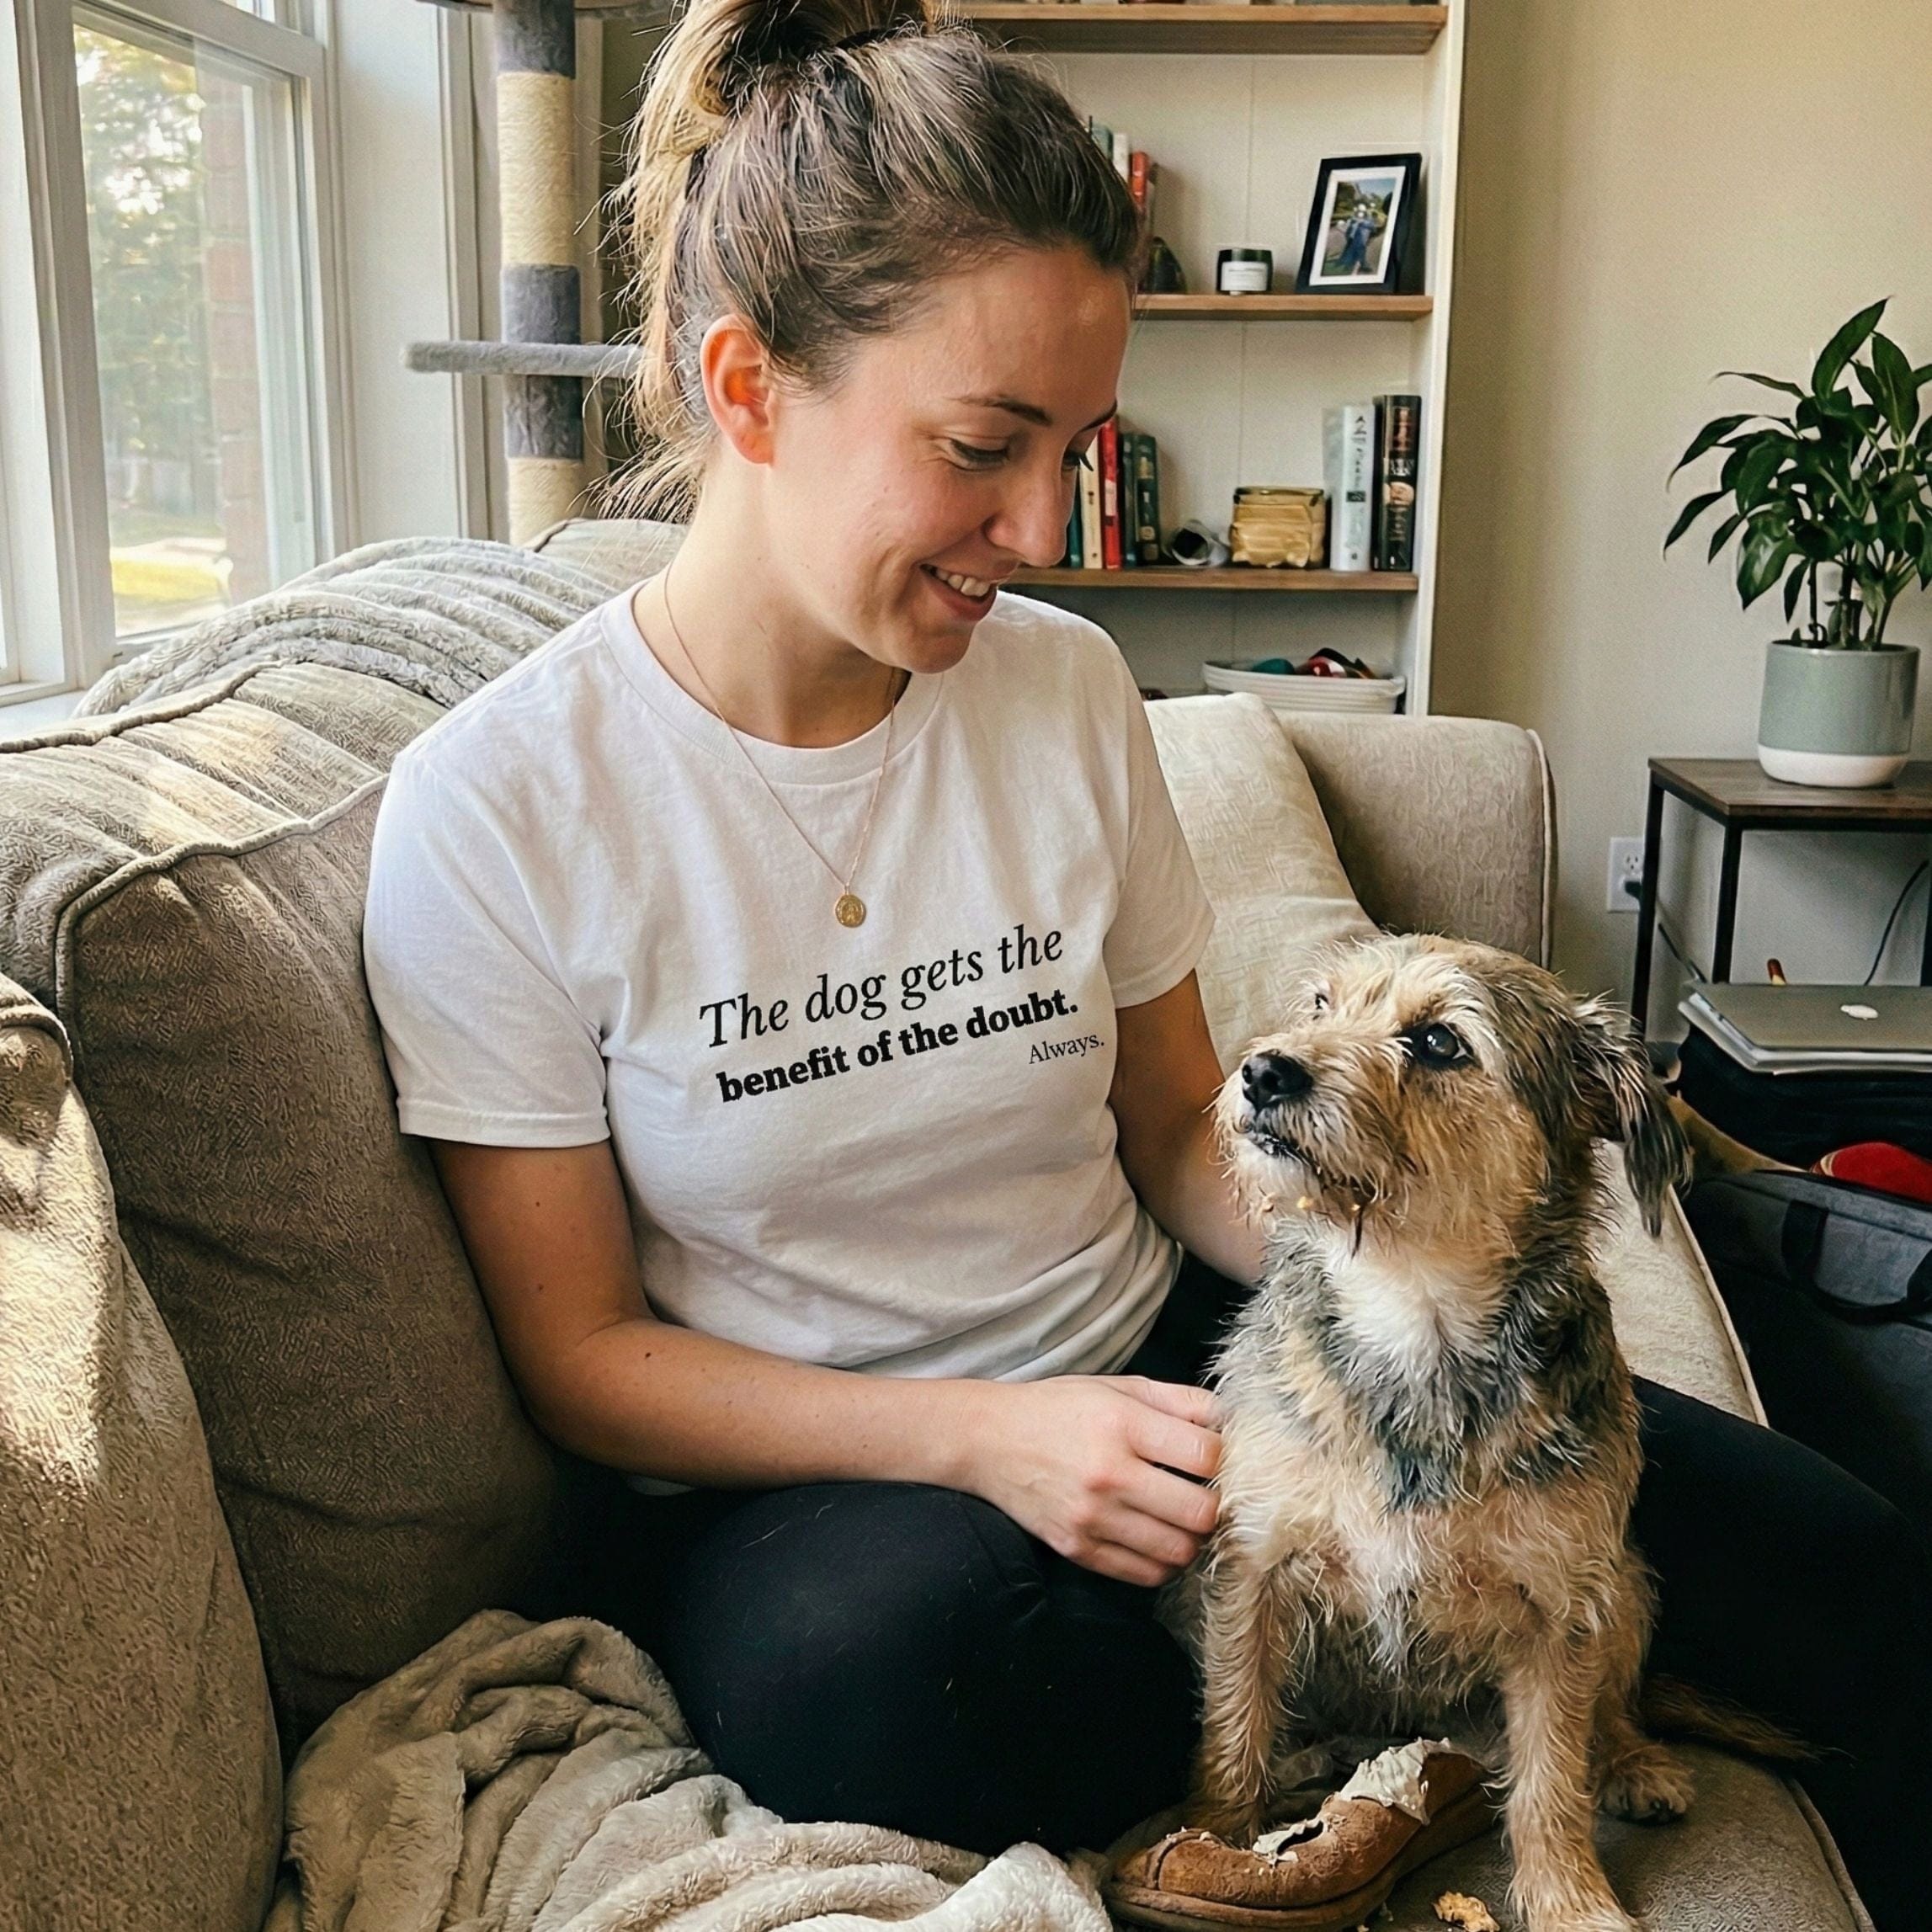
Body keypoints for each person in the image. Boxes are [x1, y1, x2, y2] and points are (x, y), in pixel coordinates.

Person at [361, 0, 1932, 1922]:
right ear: (749, 389)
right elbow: (585, 1357)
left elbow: (1180, 1125)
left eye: (1075, 449)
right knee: (879, 1691)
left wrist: (1423, 1295)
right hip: (839, 1483)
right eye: (981, 447)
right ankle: (1439, 1735)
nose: (1039, 531)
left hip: (1190, 1375)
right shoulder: (498, 807)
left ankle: (1471, 1705)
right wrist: (991, 1433)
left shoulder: (1063, 688)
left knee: (1856, 1572)